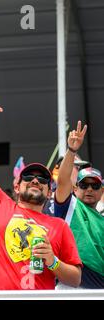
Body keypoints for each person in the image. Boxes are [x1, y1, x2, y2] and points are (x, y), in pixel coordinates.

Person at [0, 97, 82, 290]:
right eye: (29, 177)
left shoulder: (60, 226)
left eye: (44, 180)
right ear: (16, 187)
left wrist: (52, 261)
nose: (36, 181)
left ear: (49, 193)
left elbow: (76, 278)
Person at [54, 121, 104, 289]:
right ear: (75, 188)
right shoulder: (70, 206)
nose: (89, 189)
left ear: (101, 191)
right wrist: (72, 150)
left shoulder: (102, 219)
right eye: (84, 185)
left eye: (95, 186)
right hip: (72, 286)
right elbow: (62, 181)